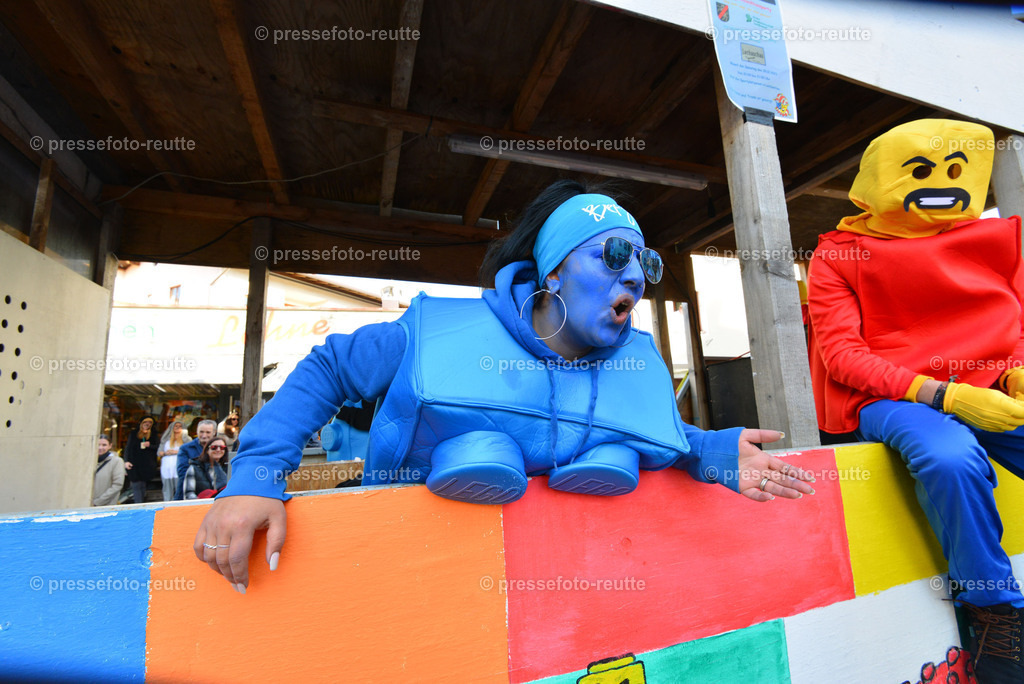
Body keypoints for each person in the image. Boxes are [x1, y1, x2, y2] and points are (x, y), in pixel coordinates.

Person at [194, 180, 815, 594]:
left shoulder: (638, 365)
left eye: (645, 266)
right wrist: (257, 477)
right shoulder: (438, 335)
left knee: (618, 452)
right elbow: (330, 367)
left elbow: (664, 431)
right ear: (554, 270)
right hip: (404, 563)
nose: (635, 277)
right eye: (614, 254)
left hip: (549, 592)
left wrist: (710, 452)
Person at [806, 119, 1024, 683]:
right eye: (923, 171)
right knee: (950, 458)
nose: (944, 184)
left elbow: (1017, 323)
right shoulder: (838, 255)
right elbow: (842, 356)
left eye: (956, 171)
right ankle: (993, 608)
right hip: (891, 396)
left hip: (991, 385)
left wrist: (1017, 375)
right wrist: (944, 395)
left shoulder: (1001, 240)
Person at [175, 419, 217, 500]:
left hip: (213, 495)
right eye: (201, 432)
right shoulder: (186, 448)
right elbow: (182, 473)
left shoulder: (219, 449)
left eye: (208, 432)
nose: (204, 435)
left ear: (214, 433)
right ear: (197, 432)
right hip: (189, 495)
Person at [123, 415, 159, 505]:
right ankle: (138, 504)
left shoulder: (154, 434)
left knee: (143, 486)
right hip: (134, 463)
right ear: (141, 423)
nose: (147, 424)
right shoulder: (134, 433)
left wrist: (149, 445)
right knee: (136, 485)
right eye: (145, 422)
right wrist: (126, 461)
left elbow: (158, 447)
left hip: (147, 465)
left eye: (150, 422)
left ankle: (141, 503)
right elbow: (128, 447)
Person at [158, 420, 190, 502]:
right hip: (167, 468)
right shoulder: (165, 439)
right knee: (167, 488)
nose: (178, 428)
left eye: (180, 426)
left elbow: (190, 451)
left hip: (179, 467)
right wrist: (166, 453)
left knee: (180, 487)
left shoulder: (186, 439)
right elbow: (159, 453)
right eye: (176, 426)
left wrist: (177, 452)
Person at [92, 435, 125, 506]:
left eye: (104, 445)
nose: (100, 448)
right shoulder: (90, 461)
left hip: (106, 506)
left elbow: (117, 485)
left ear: (110, 446)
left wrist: (97, 502)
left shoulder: (117, 461)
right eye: (98, 445)